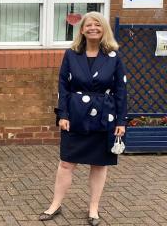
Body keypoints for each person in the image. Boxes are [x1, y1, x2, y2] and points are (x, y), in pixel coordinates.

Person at [39, 12, 127, 225]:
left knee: (98, 165)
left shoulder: (113, 56)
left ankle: (93, 209)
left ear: (104, 28)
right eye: (89, 25)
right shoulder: (71, 54)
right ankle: (55, 205)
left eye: (98, 24)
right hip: (76, 116)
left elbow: (121, 90)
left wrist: (121, 122)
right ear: (82, 30)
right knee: (66, 163)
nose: (93, 28)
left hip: (104, 118)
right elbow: (63, 86)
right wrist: (63, 114)